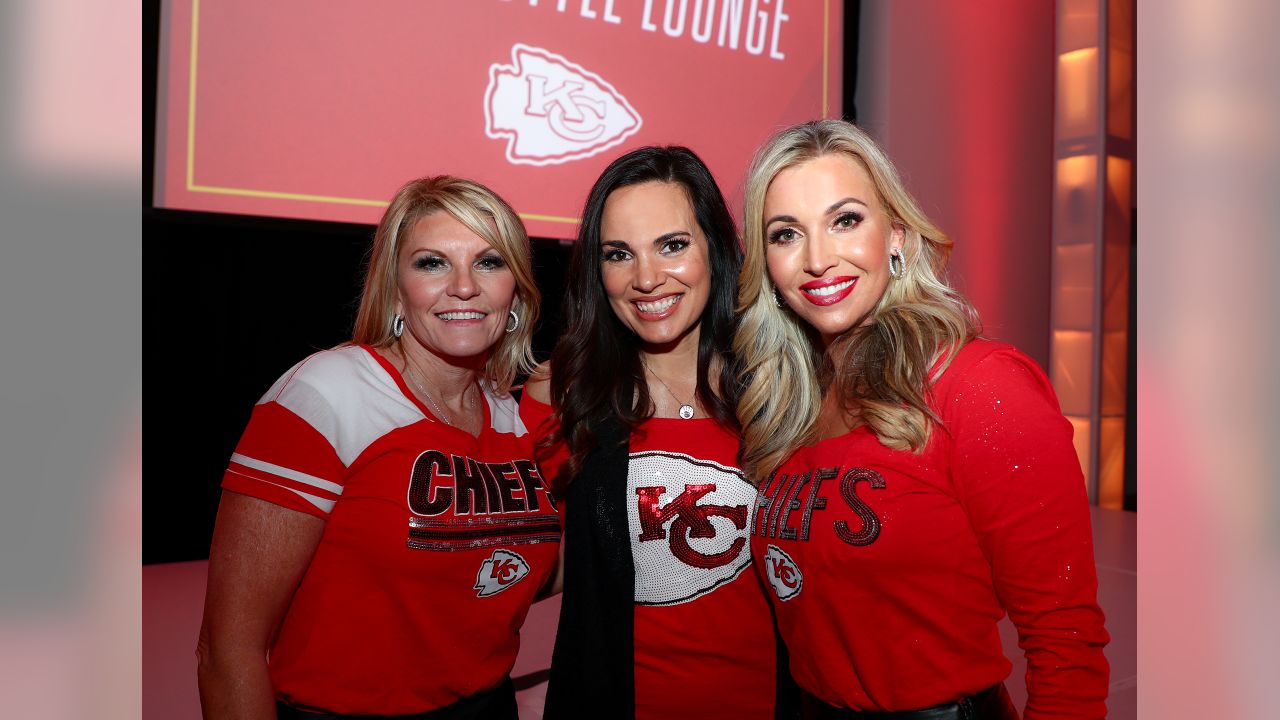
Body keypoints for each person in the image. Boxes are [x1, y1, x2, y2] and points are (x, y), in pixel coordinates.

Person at [736, 120, 1110, 719]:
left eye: (846, 220)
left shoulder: (980, 385)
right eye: (786, 234)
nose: (818, 258)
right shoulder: (790, 409)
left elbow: (1065, 638)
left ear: (899, 237)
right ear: (767, 266)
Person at [196, 176, 559, 719]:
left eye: (489, 262)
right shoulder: (327, 394)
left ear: (517, 290)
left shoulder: (516, 418)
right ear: (395, 288)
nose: (463, 286)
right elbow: (228, 651)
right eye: (432, 263)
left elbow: (513, 564)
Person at [522, 146, 790, 720]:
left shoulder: (784, 387)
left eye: (672, 245)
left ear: (715, 250)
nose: (646, 279)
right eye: (619, 254)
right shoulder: (564, 390)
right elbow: (523, 554)